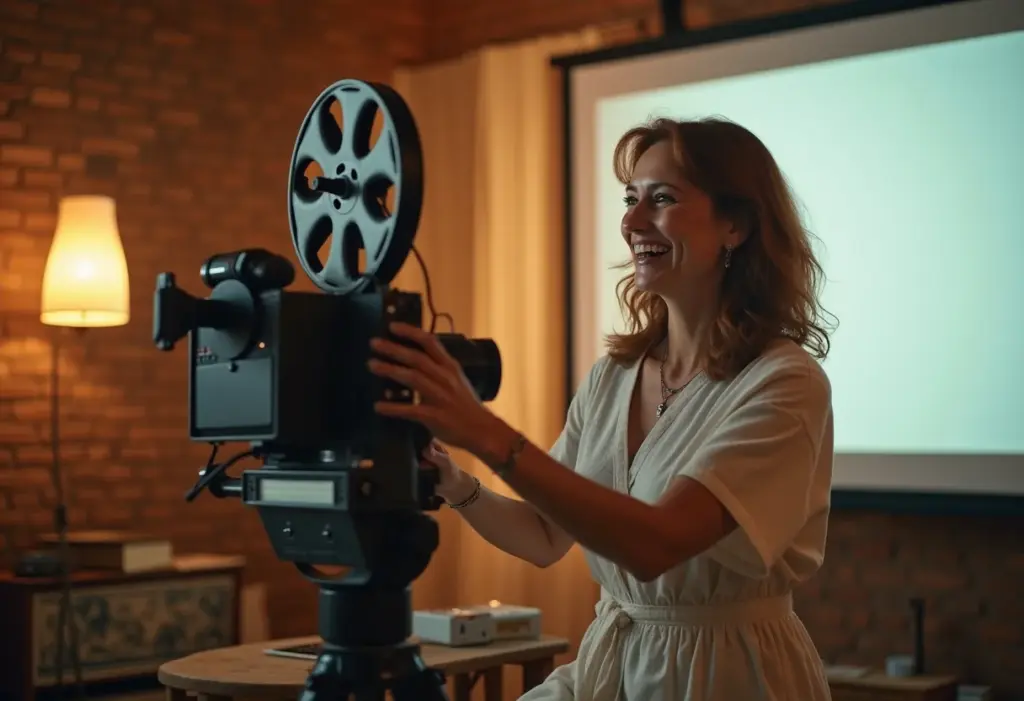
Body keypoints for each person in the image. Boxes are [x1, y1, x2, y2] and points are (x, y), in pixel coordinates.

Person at [368, 116, 837, 701]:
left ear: (735, 225)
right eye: (630, 199)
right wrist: (455, 482)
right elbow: (544, 535)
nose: (632, 222)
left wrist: (485, 433)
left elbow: (657, 544)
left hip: (724, 674)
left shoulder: (785, 382)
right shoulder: (613, 376)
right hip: (611, 663)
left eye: (662, 199)